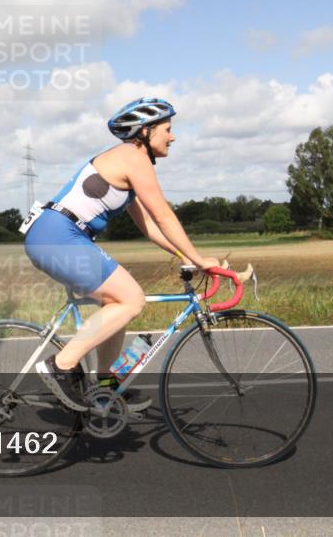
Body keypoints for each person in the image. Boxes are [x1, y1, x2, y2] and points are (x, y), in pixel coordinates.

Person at [25, 97, 220, 412]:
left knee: (116, 303)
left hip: (58, 236)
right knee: (131, 299)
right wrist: (199, 259)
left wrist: (185, 256)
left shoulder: (127, 164)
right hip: (58, 236)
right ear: (145, 131)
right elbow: (164, 216)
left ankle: (105, 386)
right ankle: (61, 365)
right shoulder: (133, 157)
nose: (172, 137)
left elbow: (151, 228)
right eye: (167, 129)